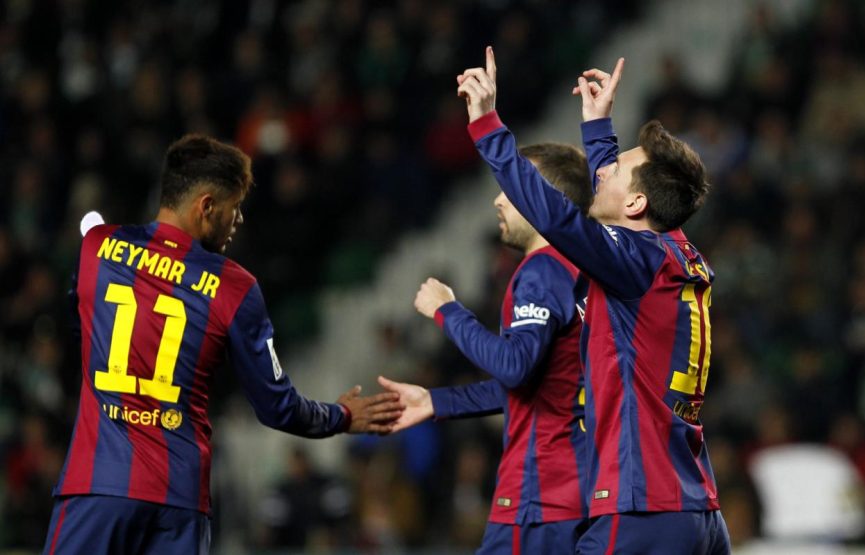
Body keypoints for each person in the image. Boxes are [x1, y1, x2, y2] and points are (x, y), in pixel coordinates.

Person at [42, 135, 403, 555]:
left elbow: (78, 332)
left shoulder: (97, 248)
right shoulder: (234, 287)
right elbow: (278, 407)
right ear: (207, 206)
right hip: (177, 504)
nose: (240, 220)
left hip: (96, 485)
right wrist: (340, 416)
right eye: (235, 207)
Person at [456, 47, 730, 553]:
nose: (599, 171)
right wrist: (598, 125)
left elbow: (559, 218)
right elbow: (617, 206)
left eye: (615, 167)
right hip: (697, 509)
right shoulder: (677, 253)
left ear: (636, 202)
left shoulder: (633, 262)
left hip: (641, 508)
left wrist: (487, 126)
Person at [378, 141, 593, 554]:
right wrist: (436, 402)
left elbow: (513, 366)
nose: (497, 199)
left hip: (537, 495)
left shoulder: (541, 271)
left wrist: (447, 310)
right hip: (575, 491)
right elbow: (537, 382)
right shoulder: (580, 273)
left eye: (509, 187)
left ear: (541, 197)